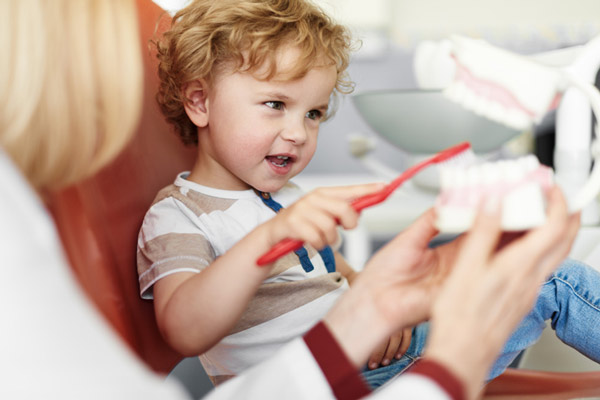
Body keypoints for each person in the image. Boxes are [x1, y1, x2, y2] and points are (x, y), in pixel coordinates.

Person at [0, 0, 584, 399]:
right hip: (349, 381)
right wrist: (273, 240)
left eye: (313, 114)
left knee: (508, 258)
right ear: (199, 103)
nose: (299, 132)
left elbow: (334, 278)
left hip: (377, 359)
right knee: (553, 279)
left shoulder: (276, 203)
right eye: (275, 106)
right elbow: (184, 327)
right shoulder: (176, 216)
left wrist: (379, 302)